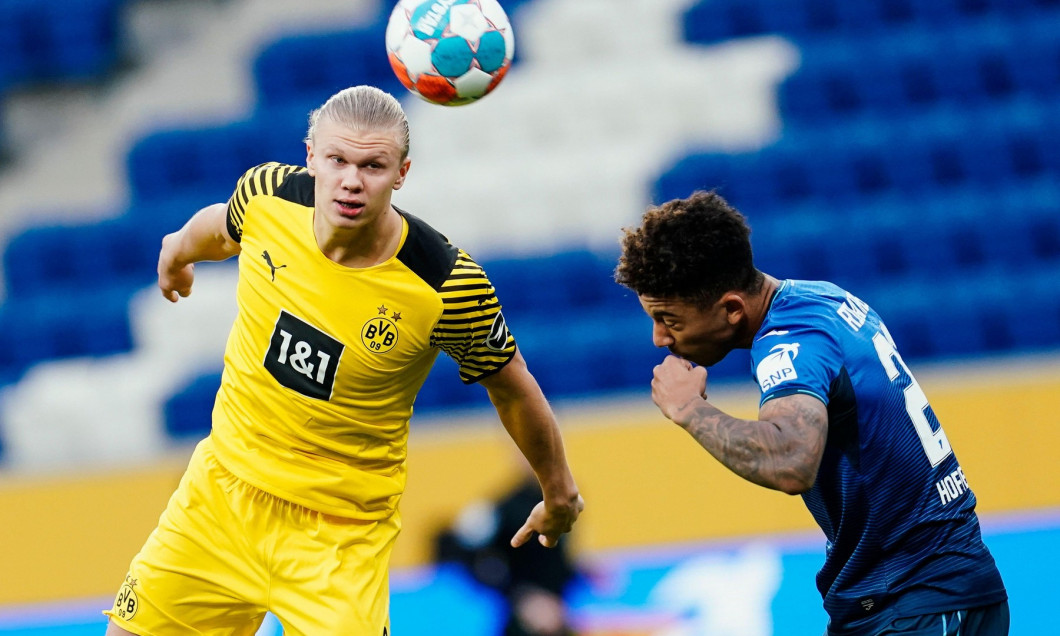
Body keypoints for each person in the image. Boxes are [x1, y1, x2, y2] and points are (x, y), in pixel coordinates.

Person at [105, 85, 583, 635]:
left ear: (402, 173)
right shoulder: (267, 195)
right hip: (220, 497)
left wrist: (557, 488)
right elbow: (221, 226)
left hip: (338, 536)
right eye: (337, 160)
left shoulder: (446, 283)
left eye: (373, 165)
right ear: (311, 156)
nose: (351, 181)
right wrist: (177, 252)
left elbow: (512, 387)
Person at [614, 191, 1007, 635]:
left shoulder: (791, 341)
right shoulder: (820, 297)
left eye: (671, 320)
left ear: (731, 310)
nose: (659, 338)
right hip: (919, 594)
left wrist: (688, 408)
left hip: (917, 598)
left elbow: (790, 461)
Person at [434, 469, 582, 636]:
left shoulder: (567, 501)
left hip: (552, 608)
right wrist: (524, 598)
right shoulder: (501, 510)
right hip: (521, 611)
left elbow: (557, 563)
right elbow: (454, 549)